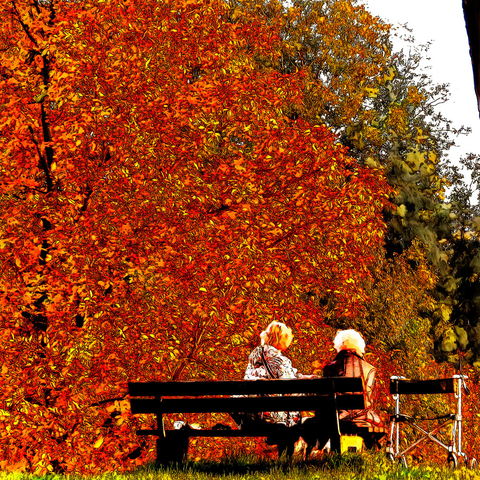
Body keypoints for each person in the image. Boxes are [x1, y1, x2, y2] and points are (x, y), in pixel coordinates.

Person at [232, 321, 313, 455]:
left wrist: (305, 377)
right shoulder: (280, 360)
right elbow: (290, 386)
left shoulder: (255, 356)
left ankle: (281, 446)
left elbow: (284, 376)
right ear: (281, 338)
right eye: (287, 337)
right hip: (272, 419)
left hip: (252, 416)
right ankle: (286, 461)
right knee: (293, 413)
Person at [322, 329, 385, 449]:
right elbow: (372, 399)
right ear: (360, 346)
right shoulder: (370, 369)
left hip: (336, 420)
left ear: (339, 346)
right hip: (364, 419)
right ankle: (372, 453)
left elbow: (325, 397)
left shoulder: (329, 368)